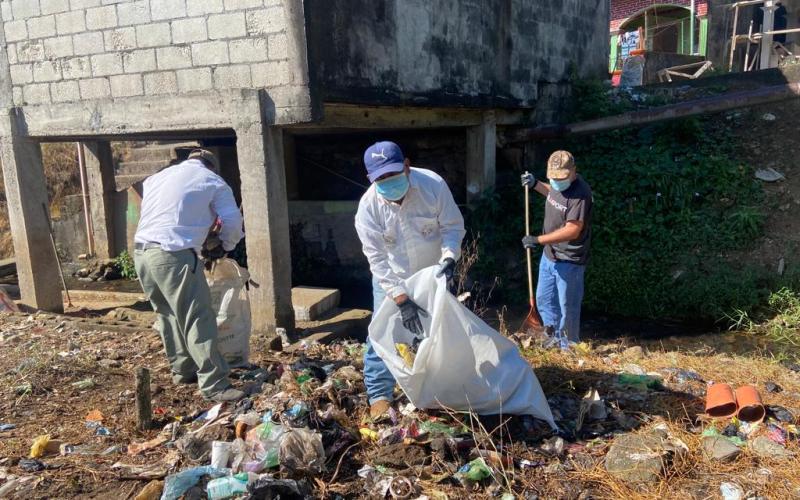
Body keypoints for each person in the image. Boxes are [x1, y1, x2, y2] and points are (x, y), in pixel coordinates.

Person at [355, 141, 466, 418]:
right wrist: (400, 298)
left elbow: (452, 227)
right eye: (380, 179)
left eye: (392, 175)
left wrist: (450, 258)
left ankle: (438, 387)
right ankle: (379, 394)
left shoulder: (433, 185)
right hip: (394, 278)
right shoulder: (368, 208)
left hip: (434, 273)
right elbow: (376, 259)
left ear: (406, 165)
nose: (387, 182)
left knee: (440, 330)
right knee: (383, 333)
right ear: (371, 179)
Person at [134, 149, 245, 402]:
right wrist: (226, 246)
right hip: (173, 253)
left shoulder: (157, 177)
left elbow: (171, 214)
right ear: (211, 167)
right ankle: (215, 385)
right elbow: (232, 222)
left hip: (141, 253)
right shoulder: (213, 181)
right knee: (198, 317)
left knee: (168, 314)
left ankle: (183, 371)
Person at [521, 150, 593, 349]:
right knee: (544, 300)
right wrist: (535, 184)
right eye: (552, 178)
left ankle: (568, 346)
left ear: (573, 172)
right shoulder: (557, 184)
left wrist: (538, 239)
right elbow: (553, 193)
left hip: (569, 261)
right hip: (550, 257)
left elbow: (572, 230)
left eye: (561, 178)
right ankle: (552, 339)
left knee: (567, 308)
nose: (556, 182)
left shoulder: (580, 194)